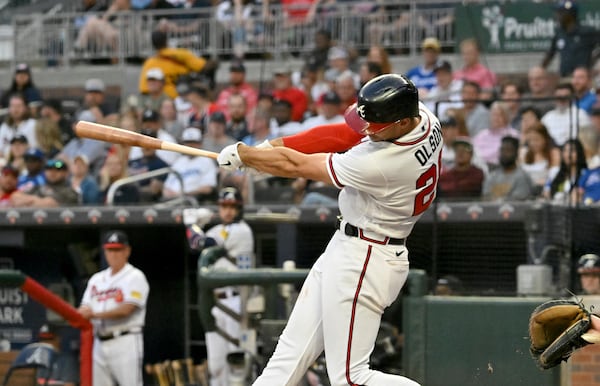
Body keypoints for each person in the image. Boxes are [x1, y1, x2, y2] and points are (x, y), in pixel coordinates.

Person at [217, 73, 435, 385]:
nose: (368, 131)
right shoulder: (422, 117)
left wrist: (248, 155)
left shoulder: (382, 163)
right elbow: (341, 134)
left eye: (376, 125)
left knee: (350, 378)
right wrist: (268, 148)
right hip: (351, 245)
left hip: (367, 257)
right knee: (285, 361)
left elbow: (297, 167)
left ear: (401, 122)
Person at [192, 186, 254, 385]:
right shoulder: (218, 229)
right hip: (216, 302)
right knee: (216, 365)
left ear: (239, 209)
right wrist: (196, 228)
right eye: (224, 206)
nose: (228, 211)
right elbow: (194, 244)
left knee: (238, 362)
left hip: (237, 302)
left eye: (232, 207)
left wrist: (192, 225)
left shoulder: (242, 230)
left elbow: (204, 243)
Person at [77, 230, 149, 386]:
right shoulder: (96, 279)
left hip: (125, 340)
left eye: (118, 249)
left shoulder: (135, 276)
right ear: (105, 251)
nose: (114, 254)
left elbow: (126, 310)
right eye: (110, 250)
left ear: (127, 251)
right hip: (99, 343)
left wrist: (94, 314)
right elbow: (83, 309)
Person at [139, 29, 216, 99]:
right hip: (180, 97)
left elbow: (143, 89)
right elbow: (204, 66)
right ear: (166, 41)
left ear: (153, 44)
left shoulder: (149, 63)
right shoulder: (180, 54)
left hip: (163, 101)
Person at [541, 0, 600, 78]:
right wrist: (540, 69)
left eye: (560, 12)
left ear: (570, 14)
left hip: (582, 77)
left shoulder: (587, 32)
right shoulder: (559, 33)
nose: (557, 15)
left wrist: (591, 62)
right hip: (564, 77)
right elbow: (550, 54)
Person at [10, 158, 80, 207]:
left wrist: (29, 201)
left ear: (65, 173)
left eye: (57, 170)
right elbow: (15, 197)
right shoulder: (38, 187)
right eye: (49, 169)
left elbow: (49, 204)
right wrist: (34, 199)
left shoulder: (69, 192)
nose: (53, 172)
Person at [482, 136, 533, 201]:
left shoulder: (523, 176)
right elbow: (485, 198)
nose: (504, 153)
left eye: (508, 150)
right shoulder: (492, 175)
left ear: (516, 153)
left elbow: (518, 201)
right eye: (502, 150)